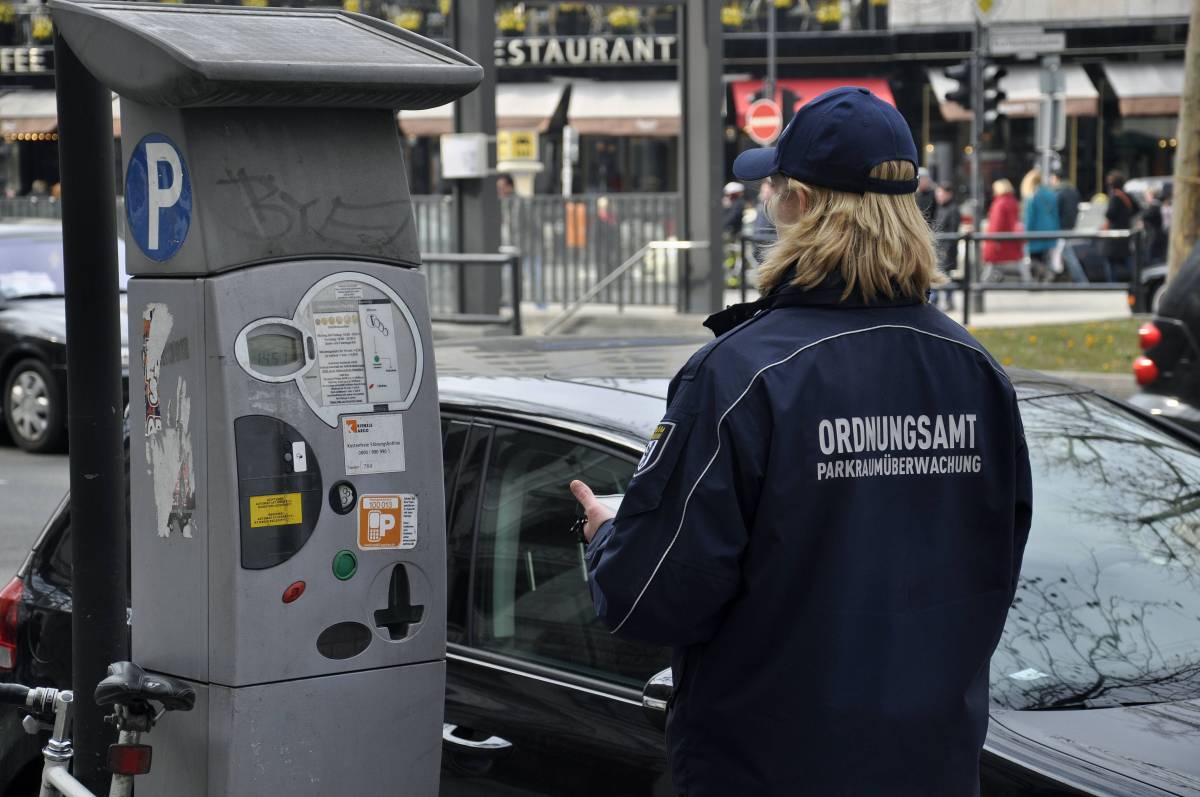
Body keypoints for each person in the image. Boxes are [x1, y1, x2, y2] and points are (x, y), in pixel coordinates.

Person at [571, 86, 1031, 797]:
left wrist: (609, 536)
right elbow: (994, 564)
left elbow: (649, 599)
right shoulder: (974, 372)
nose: (765, 203)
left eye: (774, 186)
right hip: (931, 770)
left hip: (768, 768)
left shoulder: (743, 373)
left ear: (801, 205)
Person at [981, 178, 1027, 282]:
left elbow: (996, 224)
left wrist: (991, 241)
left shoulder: (999, 204)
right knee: (1019, 261)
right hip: (1010, 238)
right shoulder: (1012, 201)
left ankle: (982, 285)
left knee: (992, 263)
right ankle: (1027, 280)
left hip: (999, 240)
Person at [1020, 169, 1059, 282]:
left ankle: (1044, 275)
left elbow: (1030, 218)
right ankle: (1043, 278)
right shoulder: (1050, 194)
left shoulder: (1032, 196)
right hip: (1050, 231)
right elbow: (1055, 215)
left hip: (1036, 233)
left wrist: (1025, 233)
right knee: (1044, 257)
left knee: (1035, 259)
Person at [1049, 168, 1087, 282]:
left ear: (1056, 178)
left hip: (1060, 228)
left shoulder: (1058, 192)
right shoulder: (1073, 191)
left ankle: (1081, 280)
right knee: (1064, 253)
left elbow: (1055, 212)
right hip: (1071, 226)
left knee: (1067, 254)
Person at [1102, 170, 1139, 281]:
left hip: (1114, 235)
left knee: (1109, 261)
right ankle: (1137, 278)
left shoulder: (1115, 197)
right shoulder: (1127, 196)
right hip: (1126, 232)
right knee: (1126, 259)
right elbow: (1137, 209)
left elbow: (1110, 214)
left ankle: (1112, 284)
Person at [932, 181, 960, 308]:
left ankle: (947, 301)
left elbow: (953, 231)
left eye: (941, 193)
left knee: (945, 275)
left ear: (949, 194)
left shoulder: (953, 209)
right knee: (938, 274)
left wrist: (946, 250)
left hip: (946, 249)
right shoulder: (940, 207)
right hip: (938, 248)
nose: (938, 196)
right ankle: (936, 299)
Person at [1140, 186, 1168, 263]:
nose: (1145, 198)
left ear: (1151, 195)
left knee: (1152, 258)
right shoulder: (1159, 205)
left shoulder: (1154, 206)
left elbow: (1145, 216)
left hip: (1154, 236)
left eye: (1146, 195)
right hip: (1158, 235)